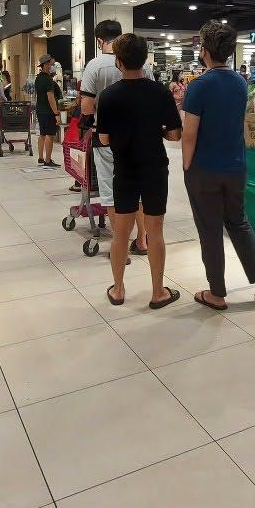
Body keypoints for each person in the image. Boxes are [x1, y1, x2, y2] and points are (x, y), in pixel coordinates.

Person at [181, 21, 255, 310]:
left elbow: (189, 133)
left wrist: (186, 166)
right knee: (239, 222)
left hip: (205, 167)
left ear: (205, 51)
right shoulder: (241, 82)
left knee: (210, 229)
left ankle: (217, 294)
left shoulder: (199, 86)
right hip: (236, 165)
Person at [96, 34, 182, 308]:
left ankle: (118, 289)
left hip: (124, 169)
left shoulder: (108, 96)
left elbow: (104, 139)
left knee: (121, 233)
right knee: (155, 232)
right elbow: (175, 135)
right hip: (155, 168)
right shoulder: (160, 92)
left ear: (118, 61)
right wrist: (156, 131)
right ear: (145, 59)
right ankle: (158, 292)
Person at [81, 19, 154, 256]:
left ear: (99, 40)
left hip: (107, 138)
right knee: (138, 190)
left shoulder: (94, 66)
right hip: (139, 139)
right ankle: (142, 241)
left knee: (111, 192)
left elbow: (86, 107)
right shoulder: (143, 65)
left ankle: (120, 246)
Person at [34, 54, 62, 167]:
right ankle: (48, 160)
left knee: (42, 134)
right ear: (45, 65)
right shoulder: (48, 79)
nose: (53, 66)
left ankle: (41, 157)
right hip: (48, 111)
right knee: (50, 135)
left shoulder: (38, 78)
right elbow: (50, 97)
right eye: (51, 64)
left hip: (40, 109)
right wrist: (56, 113)